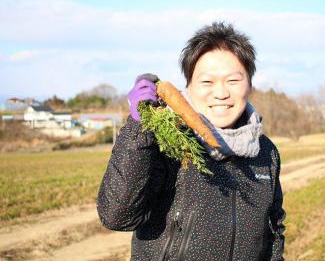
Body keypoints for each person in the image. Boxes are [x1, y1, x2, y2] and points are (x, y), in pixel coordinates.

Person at [97, 22, 286, 260]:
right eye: (207, 82)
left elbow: (274, 228)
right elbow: (117, 216)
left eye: (233, 81)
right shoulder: (166, 145)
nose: (220, 93)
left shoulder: (264, 151)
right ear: (188, 87)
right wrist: (139, 127)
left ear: (249, 84)